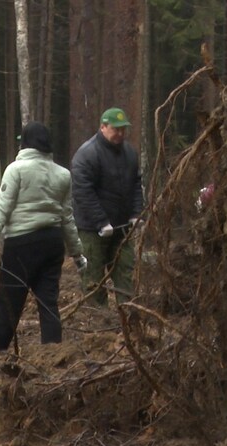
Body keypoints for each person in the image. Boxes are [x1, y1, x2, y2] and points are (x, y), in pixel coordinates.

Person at [0, 122, 87, 351]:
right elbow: (67, 217)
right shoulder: (63, 174)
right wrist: (77, 253)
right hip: (53, 243)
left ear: (25, 142)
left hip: (21, 245)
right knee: (48, 301)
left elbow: (1, 210)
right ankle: (53, 351)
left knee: (9, 299)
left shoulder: (15, 170)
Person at [71, 107, 144, 307]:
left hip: (121, 228)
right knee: (93, 275)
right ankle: (97, 322)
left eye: (123, 130)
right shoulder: (87, 154)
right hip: (92, 230)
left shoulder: (129, 152)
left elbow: (136, 184)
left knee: (126, 270)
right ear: (103, 127)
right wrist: (101, 221)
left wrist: (136, 213)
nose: (120, 134)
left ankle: (128, 313)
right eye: (116, 129)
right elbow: (82, 192)